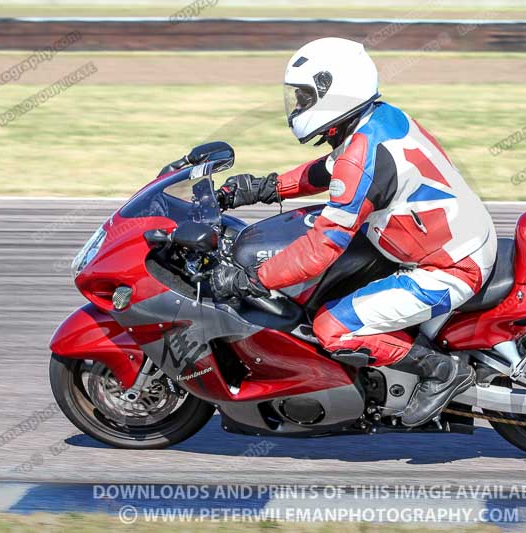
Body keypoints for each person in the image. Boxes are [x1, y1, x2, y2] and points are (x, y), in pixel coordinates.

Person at [212, 37, 497, 427]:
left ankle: (442, 371)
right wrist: (266, 187)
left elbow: (323, 246)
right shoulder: (378, 120)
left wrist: (252, 280)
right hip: (433, 240)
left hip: (449, 267)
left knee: (332, 328)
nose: (297, 106)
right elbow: (332, 168)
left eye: (305, 96)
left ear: (335, 92)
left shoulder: (365, 155)